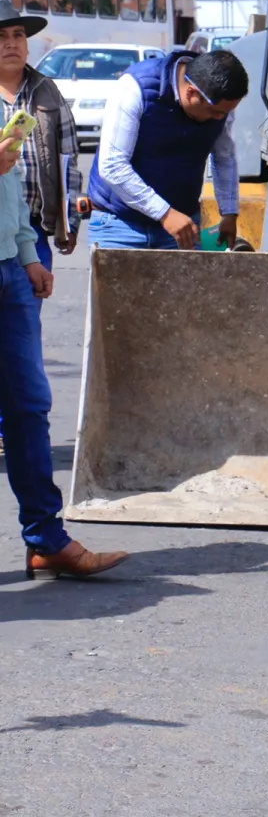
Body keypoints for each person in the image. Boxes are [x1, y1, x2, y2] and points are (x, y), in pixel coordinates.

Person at [0, 124, 128, 578]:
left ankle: (46, 540)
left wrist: (25, 252)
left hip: (9, 273)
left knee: (29, 408)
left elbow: (10, 185)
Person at [87, 48, 248, 250]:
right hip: (120, 225)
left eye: (226, 113)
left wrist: (229, 212)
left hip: (182, 229)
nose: (220, 118)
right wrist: (165, 214)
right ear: (191, 93)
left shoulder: (218, 105)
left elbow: (224, 157)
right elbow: (112, 165)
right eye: (216, 112)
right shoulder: (135, 87)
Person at [0, 0, 81, 271]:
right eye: (0, 37)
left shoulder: (47, 90)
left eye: (18, 35)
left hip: (34, 230)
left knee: (27, 312)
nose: (11, 44)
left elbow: (68, 159)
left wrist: (68, 222)